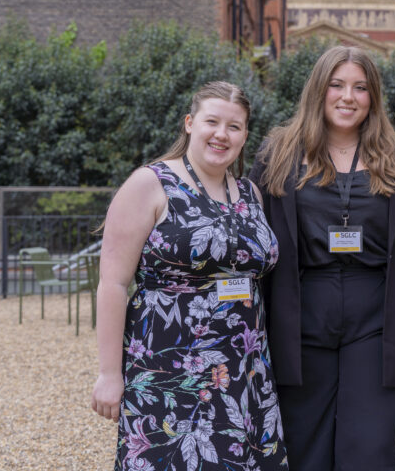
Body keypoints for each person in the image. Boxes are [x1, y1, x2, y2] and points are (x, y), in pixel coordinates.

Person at [90, 81, 288, 471]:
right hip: (170, 367)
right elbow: (112, 284)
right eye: (212, 122)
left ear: (245, 134)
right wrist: (109, 374)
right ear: (189, 124)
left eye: (234, 126)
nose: (222, 134)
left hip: (244, 368)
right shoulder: (150, 183)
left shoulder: (250, 193)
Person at [249, 45, 395, 471]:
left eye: (361, 88)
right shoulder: (278, 154)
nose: (348, 97)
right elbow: (247, 229)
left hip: (377, 317)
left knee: (370, 447)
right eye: (337, 85)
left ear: (374, 97)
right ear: (318, 90)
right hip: (302, 311)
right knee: (305, 444)